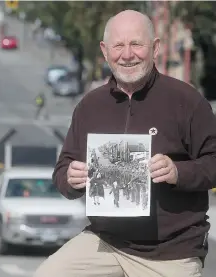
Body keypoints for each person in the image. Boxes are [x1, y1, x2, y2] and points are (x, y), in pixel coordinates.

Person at [34, 10, 216, 277]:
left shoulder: (187, 101)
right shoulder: (90, 106)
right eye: (118, 45)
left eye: (136, 44)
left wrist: (178, 173)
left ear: (154, 48)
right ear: (105, 51)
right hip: (106, 242)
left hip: (170, 252)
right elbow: (62, 171)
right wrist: (71, 178)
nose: (127, 54)